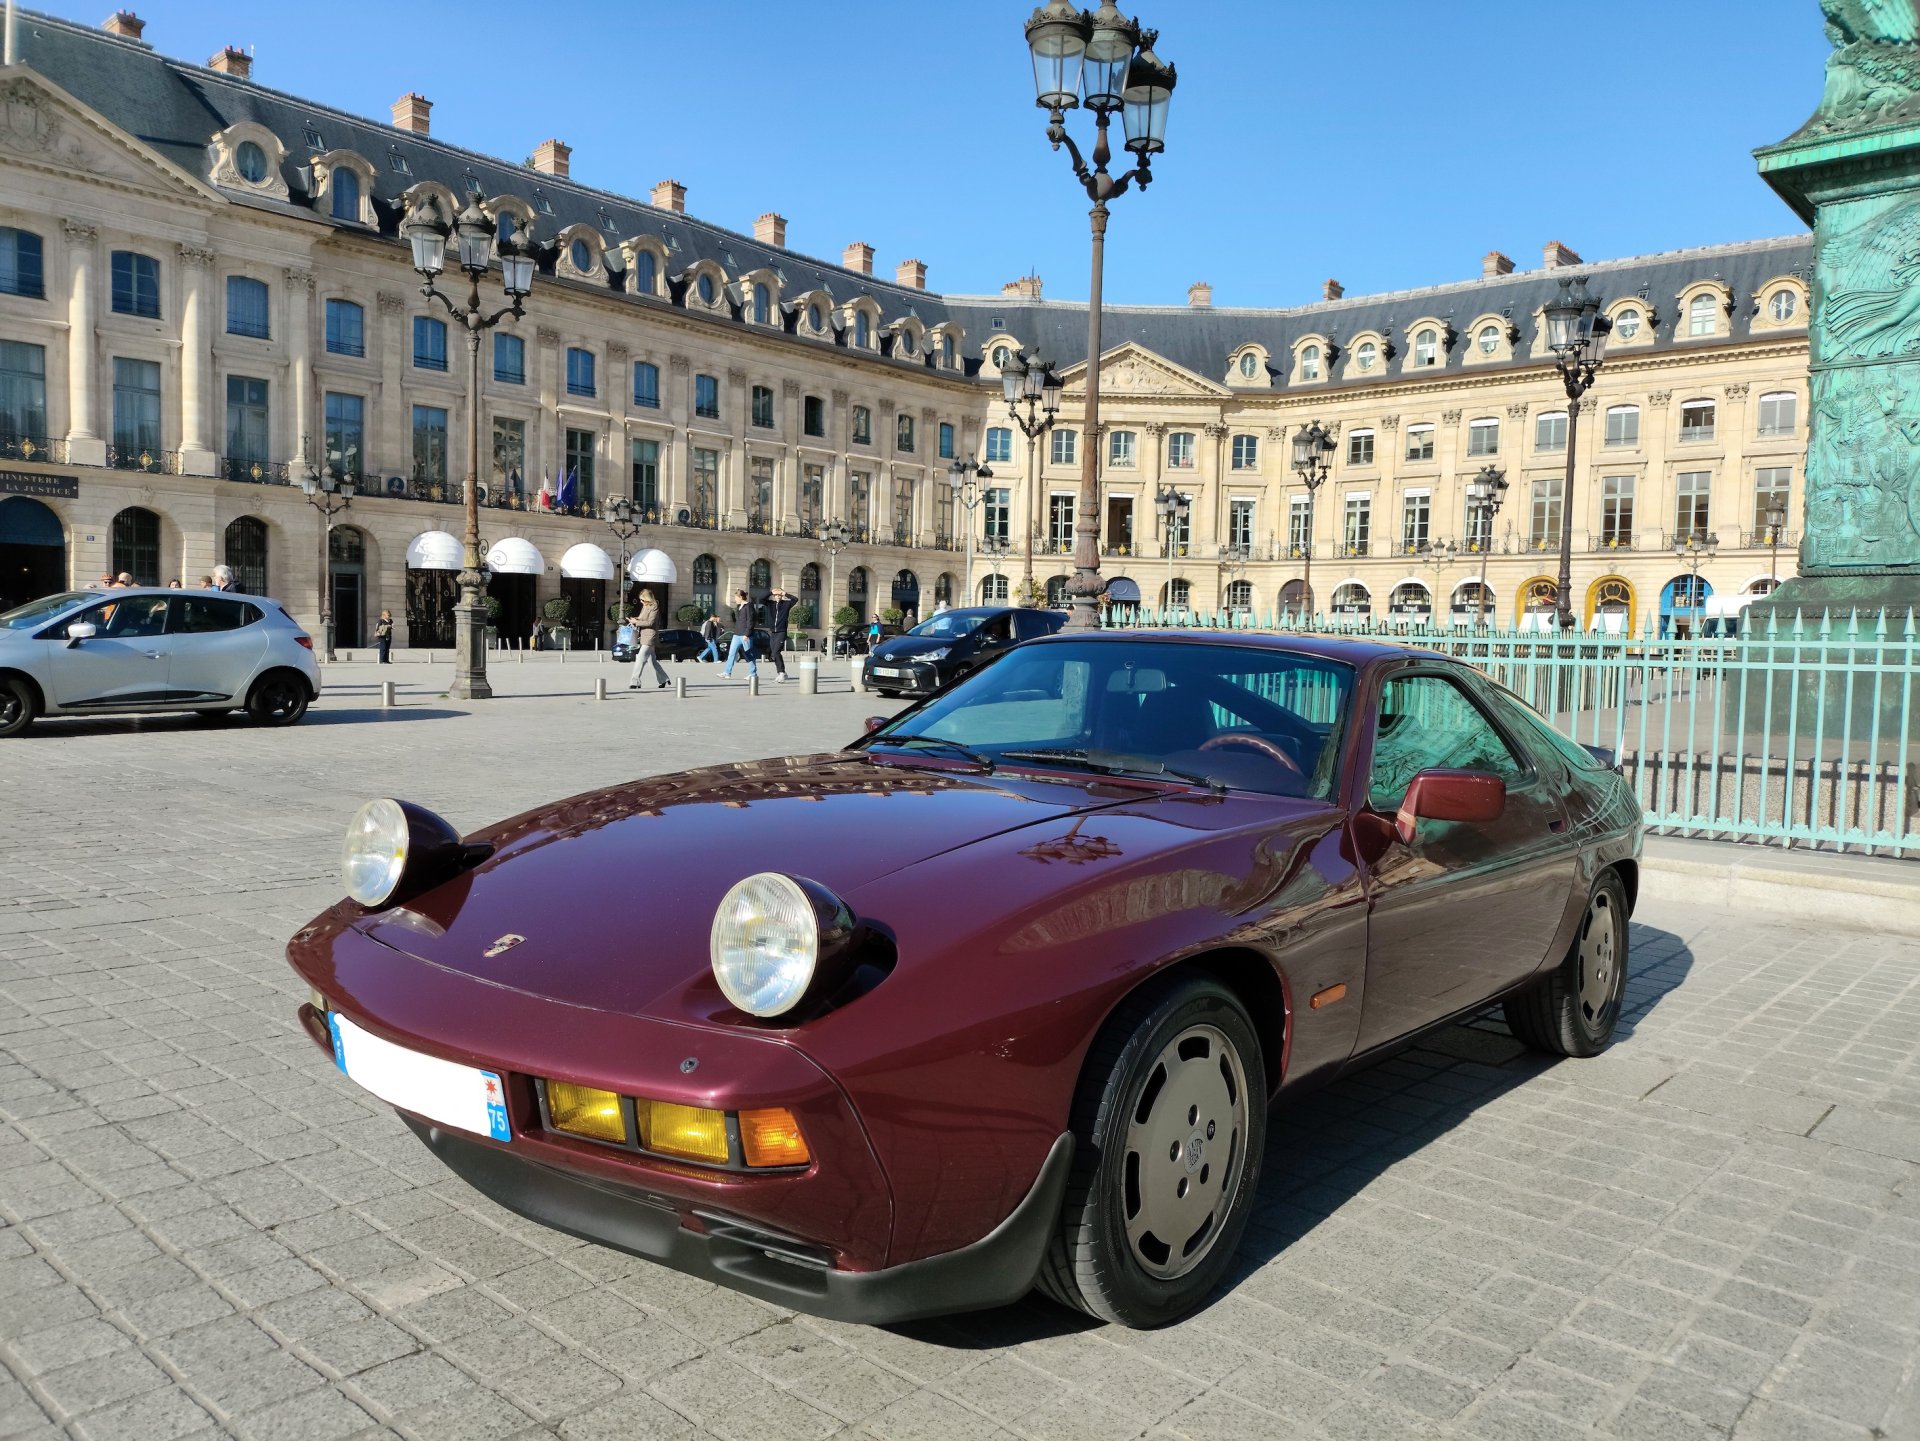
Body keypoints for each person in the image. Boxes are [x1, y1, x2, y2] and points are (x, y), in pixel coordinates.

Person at [626, 588, 669, 691]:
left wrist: (637, 622)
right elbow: (642, 619)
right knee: (652, 660)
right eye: (641, 600)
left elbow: (650, 622)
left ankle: (635, 682)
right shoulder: (645, 606)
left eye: (643, 600)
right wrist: (634, 620)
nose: (641, 602)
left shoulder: (654, 607)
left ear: (648, 599)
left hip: (650, 636)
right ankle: (664, 679)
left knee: (640, 657)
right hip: (643, 635)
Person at [719, 589, 758, 680]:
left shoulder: (749, 606)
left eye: (736, 597)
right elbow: (738, 620)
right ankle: (727, 672)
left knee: (749, 654)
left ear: (740, 597)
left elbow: (750, 621)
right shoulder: (739, 607)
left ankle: (753, 673)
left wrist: (747, 634)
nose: (735, 599)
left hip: (745, 635)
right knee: (731, 653)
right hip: (737, 634)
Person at [764, 587, 797, 681]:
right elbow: (762, 599)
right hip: (773, 632)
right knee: (773, 654)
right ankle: (783, 672)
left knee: (776, 652)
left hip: (781, 631)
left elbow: (795, 599)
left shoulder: (786, 604)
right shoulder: (771, 604)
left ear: (781, 596)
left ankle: (781, 672)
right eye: (776, 595)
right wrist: (770, 592)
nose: (777, 596)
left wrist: (785, 593)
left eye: (779, 595)